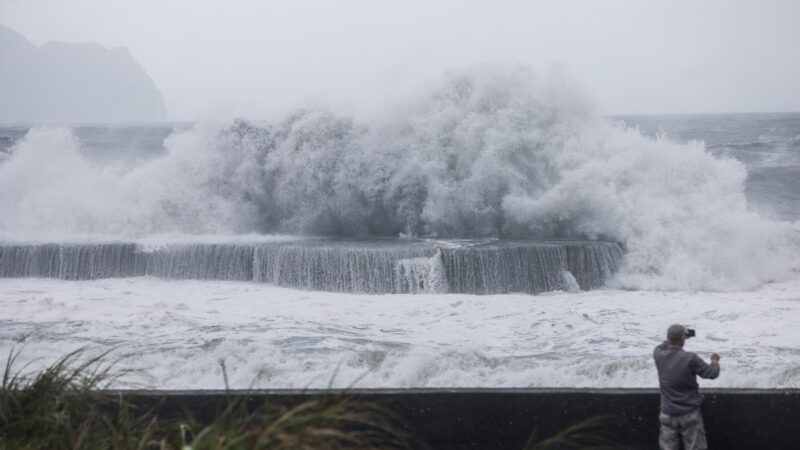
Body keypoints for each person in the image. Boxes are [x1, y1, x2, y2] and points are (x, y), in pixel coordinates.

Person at [653, 324, 720, 450]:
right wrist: (715, 361)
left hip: (667, 413)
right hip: (689, 413)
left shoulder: (658, 354)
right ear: (682, 339)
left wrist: (678, 335)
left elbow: (664, 344)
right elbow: (712, 373)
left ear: (668, 338)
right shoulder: (690, 358)